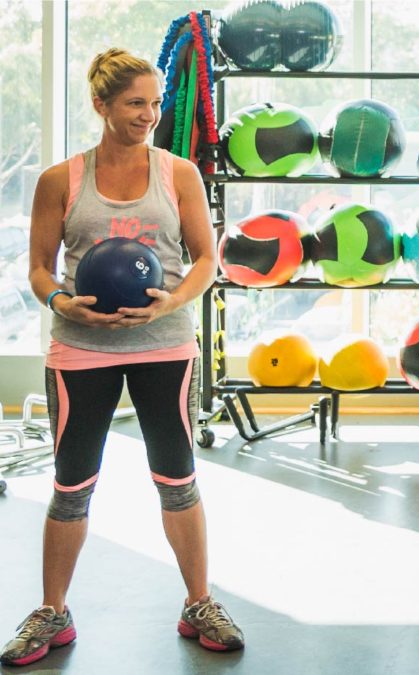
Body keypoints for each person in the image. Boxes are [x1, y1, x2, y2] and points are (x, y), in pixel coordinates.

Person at [1, 48, 242, 667]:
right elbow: (37, 268)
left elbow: (206, 260)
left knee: (177, 476)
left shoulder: (179, 173)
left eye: (156, 102)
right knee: (72, 483)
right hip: (80, 348)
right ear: (100, 104)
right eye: (136, 103)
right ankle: (53, 612)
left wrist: (167, 307)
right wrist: (63, 302)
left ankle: (198, 602)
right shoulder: (61, 179)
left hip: (164, 345)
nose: (150, 114)